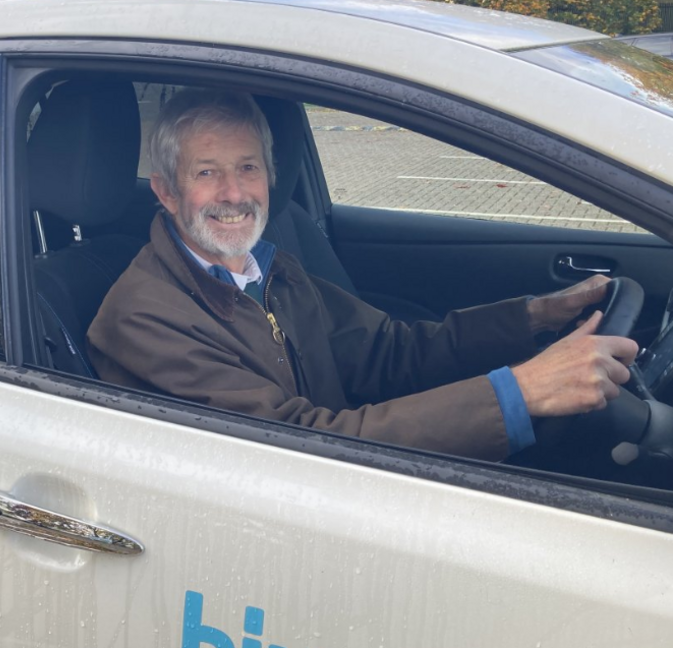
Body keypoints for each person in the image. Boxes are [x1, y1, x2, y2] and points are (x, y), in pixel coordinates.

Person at [87, 89, 638, 460]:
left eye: (247, 167)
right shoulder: (144, 316)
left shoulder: (271, 272)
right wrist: (520, 392)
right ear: (166, 191)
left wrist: (535, 317)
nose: (234, 193)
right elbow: (299, 444)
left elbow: (391, 351)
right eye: (207, 172)